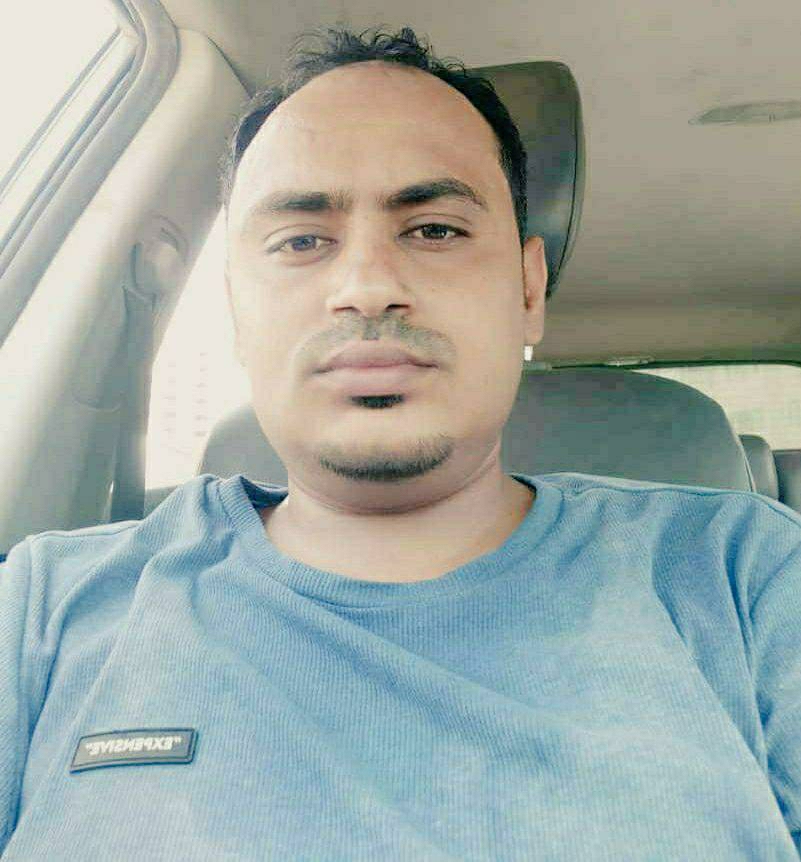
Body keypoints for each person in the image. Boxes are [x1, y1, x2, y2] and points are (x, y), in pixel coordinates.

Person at [1, 25, 800, 861]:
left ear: (527, 289)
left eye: (434, 230)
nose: (366, 286)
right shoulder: (41, 611)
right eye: (301, 241)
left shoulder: (744, 576)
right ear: (237, 307)